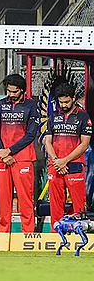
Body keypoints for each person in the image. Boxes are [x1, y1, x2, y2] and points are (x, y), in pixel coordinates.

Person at [0, 74, 39, 233]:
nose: (11, 94)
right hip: (2, 157)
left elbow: (31, 134)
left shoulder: (31, 106)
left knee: (25, 198)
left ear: (22, 90)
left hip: (23, 157)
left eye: (14, 91)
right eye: (9, 91)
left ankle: (28, 233)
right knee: (3, 198)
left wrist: (10, 151)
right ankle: (2, 233)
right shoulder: (0, 105)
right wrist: (2, 152)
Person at [44, 82, 92, 224]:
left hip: (74, 164)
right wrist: (57, 160)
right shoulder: (53, 116)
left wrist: (65, 160)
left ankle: (79, 235)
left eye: (66, 102)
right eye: (61, 102)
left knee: (79, 204)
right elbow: (47, 142)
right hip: (56, 164)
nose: (63, 105)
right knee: (55, 202)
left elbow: (84, 144)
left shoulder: (83, 117)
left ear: (74, 98)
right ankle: (55, 232)